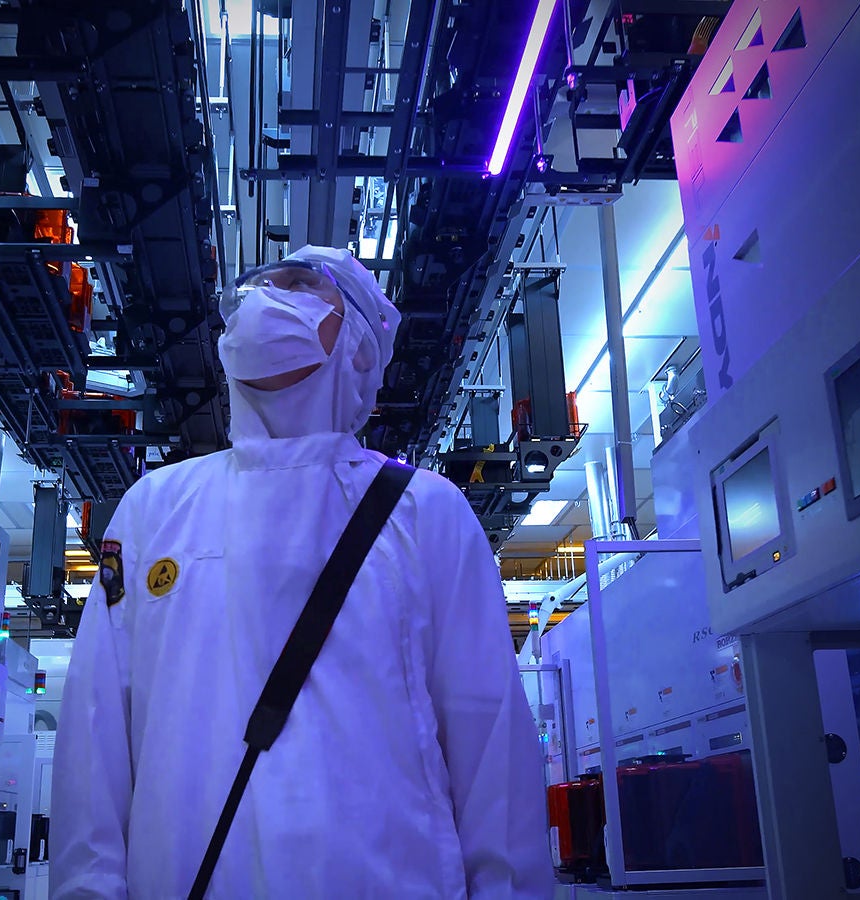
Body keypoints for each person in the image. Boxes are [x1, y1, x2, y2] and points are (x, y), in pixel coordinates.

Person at [50, 245, 552, 898]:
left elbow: (494, 756)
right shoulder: (145, 515)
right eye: (255, 288)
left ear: (362, 349)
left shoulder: (428, 513)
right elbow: (94, 738)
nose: (265, 302)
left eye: (299, 286)